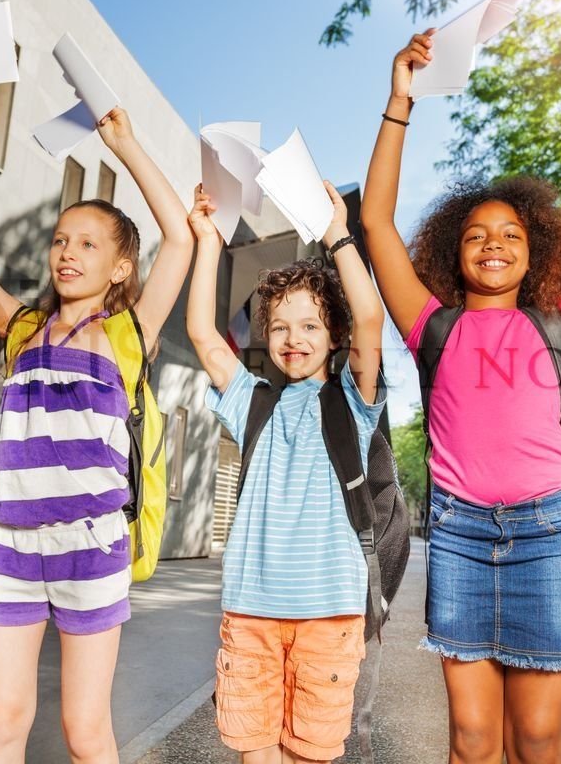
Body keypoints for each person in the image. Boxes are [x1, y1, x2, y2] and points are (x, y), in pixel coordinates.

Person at [359, 29, 561, 764]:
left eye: (510, 232)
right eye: (476, 234)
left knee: (537, 738)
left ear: (535, 249)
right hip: (462, 538)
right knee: (473, 740)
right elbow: (377, 222)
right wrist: (399, 101)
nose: (493, 243)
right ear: (455, 251)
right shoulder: (431, 328)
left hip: (550, 536)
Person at [0, 67, 193, 764]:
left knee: (84, 731)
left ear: (122, 267)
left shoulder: (128, 335)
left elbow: (179, 242)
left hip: (90, 547)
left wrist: (125, 145)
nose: (68, 251)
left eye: (89, 243)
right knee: (2, 722)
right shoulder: (21, 327)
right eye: (62, 240)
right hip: (6, 546)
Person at [186, 182, 386, 764]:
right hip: (251, 612)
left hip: (329, 615)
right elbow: (202, 335)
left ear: (334, 337)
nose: (292, 338)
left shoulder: (351, 401)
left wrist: (338, 235)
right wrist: (208, 242)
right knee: (255, 753)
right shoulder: (254, 400)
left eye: (309, 326)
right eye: (278, 327)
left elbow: (370, 318)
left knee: (310, 755)